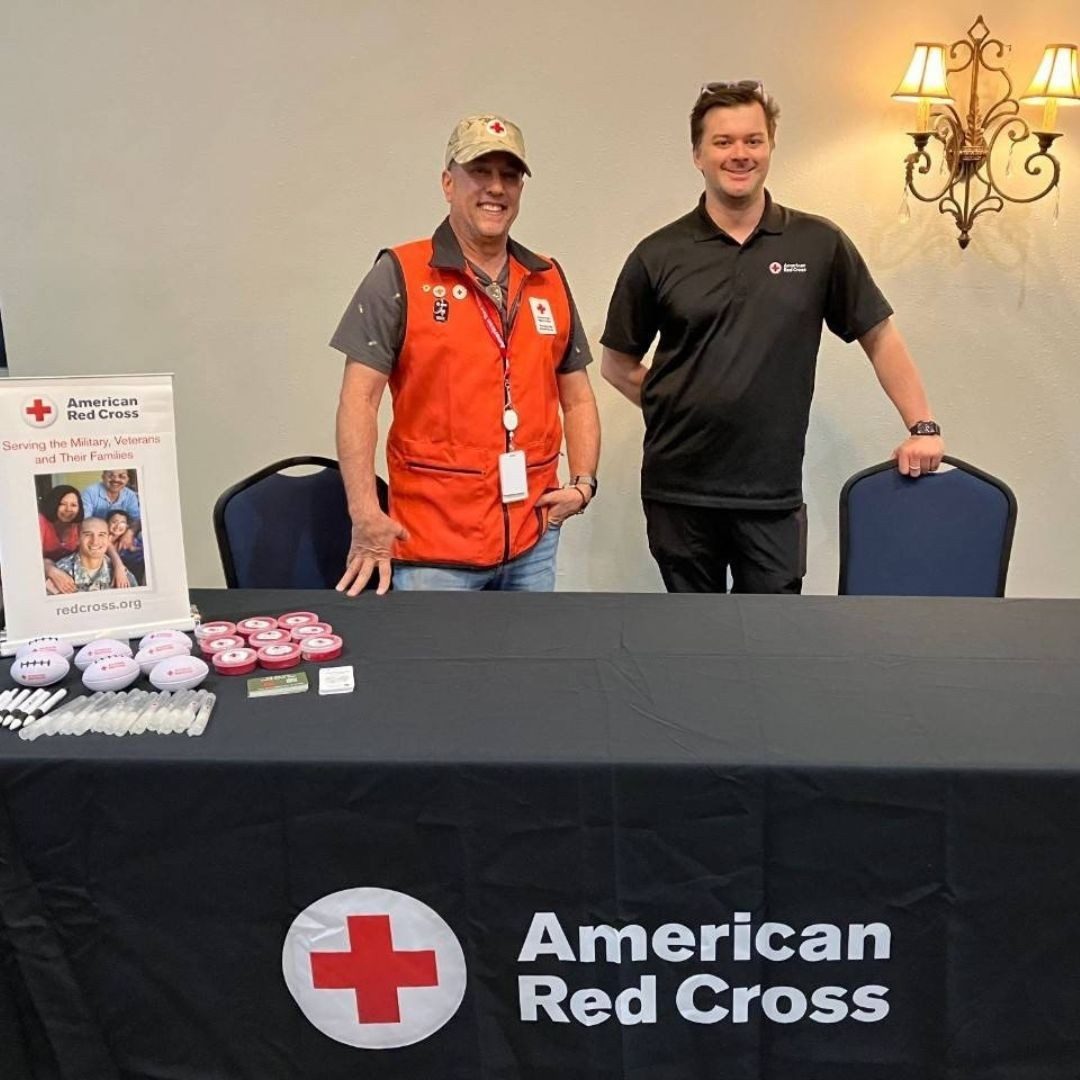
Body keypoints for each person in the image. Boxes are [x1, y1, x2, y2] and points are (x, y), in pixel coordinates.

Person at [601, 82, 943, 595]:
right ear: (697, 154)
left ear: (770, 148)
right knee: (692, 642)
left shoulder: (819, 243)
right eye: (723, 142)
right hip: (678, 492)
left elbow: (879, 335)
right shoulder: (658, 253)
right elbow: (616, 363)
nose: (739, 154)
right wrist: (678, 404)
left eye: (753, 141)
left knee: (773, 643)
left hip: (772, 495)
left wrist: (923, 426)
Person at [332, 114, 600, 594]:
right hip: (434, 551)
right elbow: (359, 402)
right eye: (480, 171)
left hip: (532, 542)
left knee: (529, 668)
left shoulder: (547, 279)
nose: (496, 187)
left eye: (510, 175)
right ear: (448, 183)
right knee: (441, 671)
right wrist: (365, 514)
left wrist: (583, 485)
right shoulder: (401, 274)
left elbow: (577, 397)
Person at [40, 484, 130, 594]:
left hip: (78, 567)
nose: (68, 509)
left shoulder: (79, 525)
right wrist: (50, 569)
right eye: (62, 504)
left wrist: (119, 566)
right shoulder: (41, 523)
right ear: (54, 504)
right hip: (48, 572)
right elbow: (29, 559)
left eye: (73, 505)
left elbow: (105, 543)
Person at [49, 518, 137, 592]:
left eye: (101, 535)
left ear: (108, 540)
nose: (95, 541)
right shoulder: (60, 573)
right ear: (78, 539)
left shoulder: (123, 575)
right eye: (88, 534)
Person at [81, 470, 142, 555]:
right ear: (103, 477)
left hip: (121, 533)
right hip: (98, 534)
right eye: (111, 475)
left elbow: (137, 519)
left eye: (121, 476)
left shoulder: (130, 495)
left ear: (127, 479)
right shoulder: (90, 492)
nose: (116, 479)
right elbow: (86, 522)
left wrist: (129, 533)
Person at [106, 508, 145, 585]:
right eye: (114, 522)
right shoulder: (102, 539)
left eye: (122, 523)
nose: (118, 525)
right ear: (107, 523)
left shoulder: (131, 541)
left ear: (127, 526)